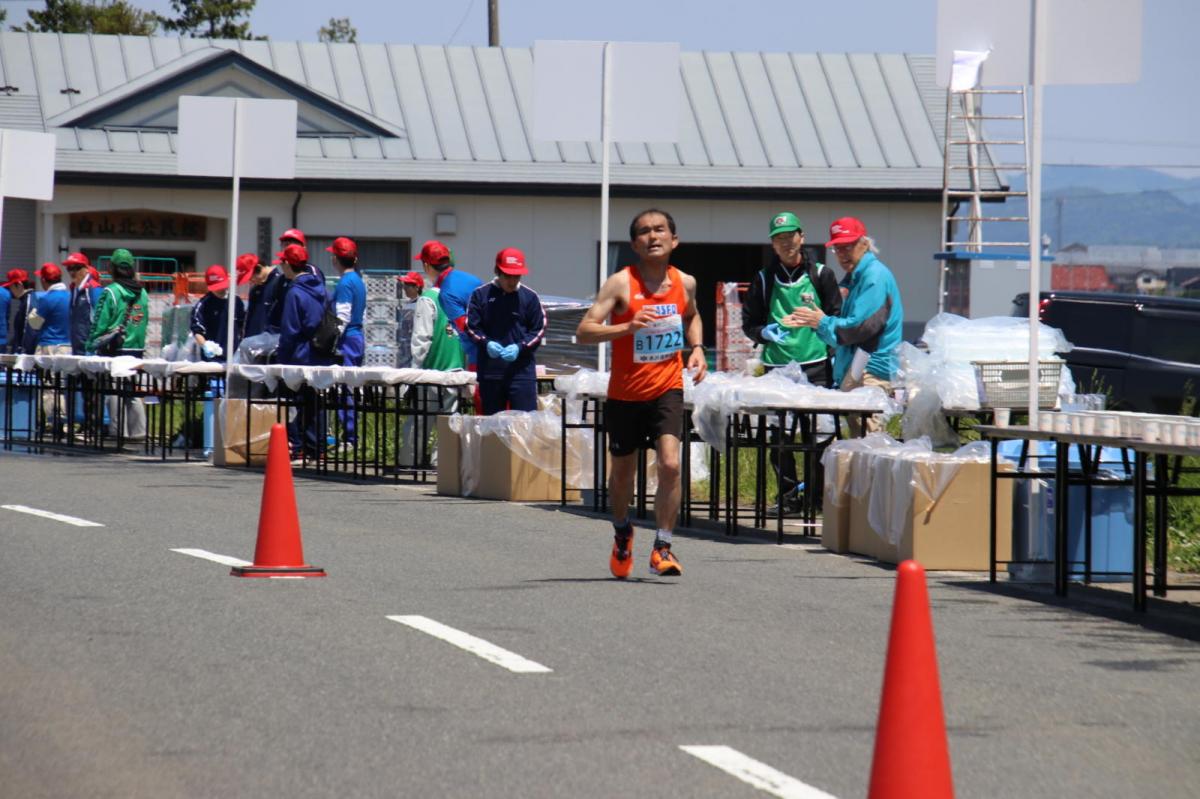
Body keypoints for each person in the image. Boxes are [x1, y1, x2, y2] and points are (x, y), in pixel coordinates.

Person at [576, 209, 707, 579]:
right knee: (622, 475)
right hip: (625, 393)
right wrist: (627, 327)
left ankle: (662, 547)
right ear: (634, 244)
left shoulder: (686, 282)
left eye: (660, 230)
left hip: (667, 388)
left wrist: (696, 347)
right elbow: (585, 331)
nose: (653, 236)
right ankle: (622, 532)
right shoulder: (620, 283)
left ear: (674, 240)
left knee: (671, 464)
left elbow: (692, 315)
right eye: (645, 232)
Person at [741, 211, 842, 511]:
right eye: (779, 238)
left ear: (802, 238)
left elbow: (837, 318)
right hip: (778, 365)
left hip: (816, 363)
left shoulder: (822, 275)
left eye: (791, 236)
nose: (786, 243)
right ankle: (787, 496)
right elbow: (750, 324)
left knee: (820, 434)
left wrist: (823, 331)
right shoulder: (763, 278)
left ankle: (816, 496)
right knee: (779, 436)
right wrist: (765, 333)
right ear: (772, 244)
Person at [792, 217, 904, 434]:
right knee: (859, 444)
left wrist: (822, 322)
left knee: (869, 446)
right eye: (837, 249)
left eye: (848, 246)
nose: (842, 254)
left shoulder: (874, 277)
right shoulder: (856, 277)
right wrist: (817, 322)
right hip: (857, 370)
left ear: (865, 243)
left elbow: (860, 327)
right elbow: (844, 331)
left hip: (870, 372)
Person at [466, 247, 546, 414]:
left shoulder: (530, 297)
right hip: (491, 373)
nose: (512, 281)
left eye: (516, 276)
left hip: (521, 373)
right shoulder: (480, 295)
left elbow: (538, 329)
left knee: (524, 424)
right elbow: (472, 327)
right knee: (493, 426)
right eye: (507, 276)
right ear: (497, 271)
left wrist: (521, 346)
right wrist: (485, 343)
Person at [276, 243, 335, 461]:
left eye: (283, 263)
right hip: (321, 352)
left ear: (288, 265)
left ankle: (298, 444)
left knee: (296, 402)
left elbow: (290, 330)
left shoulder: (295, 292)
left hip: (300, 355)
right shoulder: (322, 288)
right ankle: (317, 446)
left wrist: (281, 359)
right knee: (316, 402)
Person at [415, 240, 481, 371]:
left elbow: (467, 329)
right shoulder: (472, 280)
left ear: (426, 266)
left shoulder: (438, 295)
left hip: (477, 359)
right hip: (485, 357)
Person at [327, 237, 366, 448]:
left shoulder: (344, 283)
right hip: (358, 337)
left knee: (345, 388)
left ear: (335, 259)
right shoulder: (358, 281)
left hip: (347, 339)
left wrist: (331, 339)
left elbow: (342, 315)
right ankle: (350, 435)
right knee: (351, 386)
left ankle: (350, 437)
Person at [87, 248, 149, 357]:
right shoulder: (143, 292)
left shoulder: (110, 292)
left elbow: (100, 323)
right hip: (137, 351)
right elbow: (145, 320)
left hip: (114, 351)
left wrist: (90, 343)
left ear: (112, 268)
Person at [190, 265, 245, 363]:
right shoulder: (203, 305)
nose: (220, 289)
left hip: (235, 357)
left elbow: (242, 326)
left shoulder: (236, 301)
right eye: (216, 286)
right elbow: (197, 331)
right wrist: (205, 345)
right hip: (212, 359)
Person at [237, 252, 284, 339]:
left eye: (251, 277)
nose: (251, 281)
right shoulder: (255, 290)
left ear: (259, 268)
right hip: (253, 344)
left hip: (271, 344)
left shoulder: (280, 284)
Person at [65, 253, 103, 355]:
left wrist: (93, 348)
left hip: (89, 351)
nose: (72, 272)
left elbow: (101, 320)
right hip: (76, 349)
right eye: (69, 268)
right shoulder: (74, 289)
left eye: (76, 268)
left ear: (86, 269)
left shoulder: (94, 289)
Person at [2, 269, 29, 353]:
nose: (10, 290)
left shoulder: (28, 302)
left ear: (19, 285)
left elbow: (26, 329)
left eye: (11, 286)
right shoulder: (24, 301)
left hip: (23, 351)